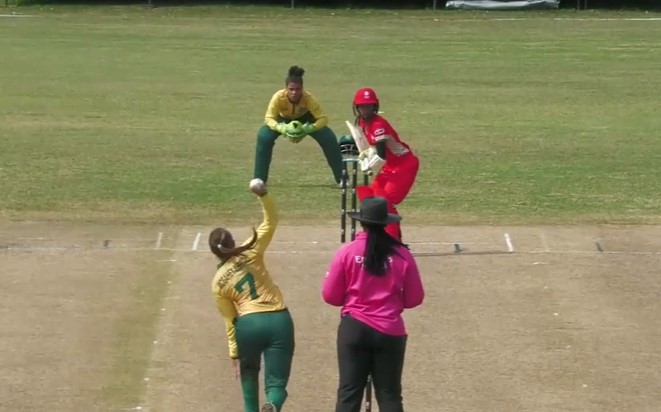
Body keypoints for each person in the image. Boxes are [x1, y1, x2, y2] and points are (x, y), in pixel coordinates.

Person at [322, 196, 425, 412]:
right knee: (389, 396)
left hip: (355, 328)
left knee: (349, 394)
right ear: (386, 222)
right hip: (389, 330)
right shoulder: (402, 254)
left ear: (361, 222)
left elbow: (330, 296)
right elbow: (414, 298)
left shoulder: (347, 252)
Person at [210, 178, 295, 412]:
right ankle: (273, 404)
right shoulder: (251, 251)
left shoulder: (218, 283)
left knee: (249, 381)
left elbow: (231, 321)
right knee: (276, 384)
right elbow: (271, 220)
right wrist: (263, 194)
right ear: (232, 243)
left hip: (248, 326)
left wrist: (234, 353)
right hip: (279, 320)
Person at [253, 65, 344, 185]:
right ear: (285, 88)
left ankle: (342, 178)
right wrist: (281, 127)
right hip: (283, 120)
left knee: (328, 137)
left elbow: (323, 118)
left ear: (302, 89)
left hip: (306, 119)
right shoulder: (278, 97)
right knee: (264, 136)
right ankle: (259, 179)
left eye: (297, 89)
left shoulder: (308, 98)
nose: (294, 92)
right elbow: (269, 118)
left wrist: (311, 128)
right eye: (291, 89)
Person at [351, 87, 420, 241]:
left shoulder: (378, 125)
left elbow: (381, 155)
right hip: (390, 167)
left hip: (404, 165)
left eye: (368, 106)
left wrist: (367, 164)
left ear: (375, 106)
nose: (365, 109)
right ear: (357, 107)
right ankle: (374, 236)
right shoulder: (362, 122)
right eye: (362, 106)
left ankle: (395, 242)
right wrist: (365, 154)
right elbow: (372, 147)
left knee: (385, 201)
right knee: (370, 197)